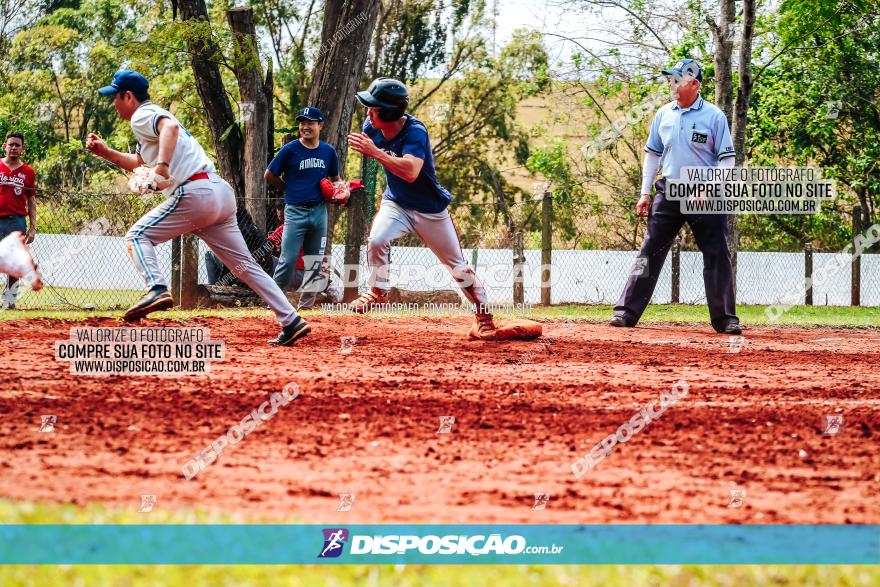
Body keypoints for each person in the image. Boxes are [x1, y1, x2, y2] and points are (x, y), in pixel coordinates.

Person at [86, 70, 309, 345]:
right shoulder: (149, 120)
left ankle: (156, 288)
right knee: (245, 265)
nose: (114, 104)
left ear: (128, 96)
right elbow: (138, 160)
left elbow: (169, 128)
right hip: (220, 193)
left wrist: (163, 168)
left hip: (196, 193)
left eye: (115, 98)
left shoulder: (142, 115)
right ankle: (291, 319)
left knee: (137, 236)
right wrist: (106, 152)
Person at [347, 78, 496, 340]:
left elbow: (412, 171)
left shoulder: (415, 131)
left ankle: (484, 317)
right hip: (396, 203)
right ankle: (378, 292)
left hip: (430, 210)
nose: (368, 113)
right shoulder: (371, 126)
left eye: (373, 108)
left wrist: (377, 153)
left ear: (390, 113)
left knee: (458, 267)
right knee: (377, 239)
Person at [610, 59, 741, 335]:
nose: (672, 84)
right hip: (669, 190)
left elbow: (727, 161)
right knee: (649, 250)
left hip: (705, 192)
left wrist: (707, 189)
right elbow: (653, 154)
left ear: (694, 84)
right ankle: (625, 313)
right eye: (671, 79)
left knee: (716, 253)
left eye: (677, 79)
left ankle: (726, 319)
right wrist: (645, 193)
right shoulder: (663, 114)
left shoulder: (714, 116)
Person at [265, 107, 339, 309]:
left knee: (315, 262)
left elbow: (336, 180)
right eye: (302, 122)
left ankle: (306, 306)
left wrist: (340, 191)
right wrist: (287, 190)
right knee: (287, 260)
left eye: (310, 122)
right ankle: (274, 302)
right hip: (295, 211)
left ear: (320, 125)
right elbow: (269, 174)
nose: (305, 126)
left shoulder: (328, 152)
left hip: (319, 211)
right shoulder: (290, 150)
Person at [0, 131, 37, 309]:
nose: (13, 148)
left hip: (16, 222)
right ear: (4, 146)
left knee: (14, 264)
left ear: (22, 148)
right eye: (11, 144)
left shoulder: (28, 172)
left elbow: (31, 200)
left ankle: (9, 301)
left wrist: (32, 227)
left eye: (17, 145)